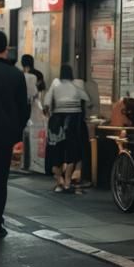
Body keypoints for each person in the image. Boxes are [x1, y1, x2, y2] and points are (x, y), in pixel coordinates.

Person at [0, 30, 31, 237]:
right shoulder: (16, 74)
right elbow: (24, 108)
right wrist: (16, 132)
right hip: (4, 136)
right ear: (6, 47)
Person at [43, 65, 90, 194]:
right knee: (72, 151)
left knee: (55, 151)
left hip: (57, 119)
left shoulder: (55, 83)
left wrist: (48, 113)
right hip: (74, 119)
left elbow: (46, 102)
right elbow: (87, 98)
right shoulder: (77, 84)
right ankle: (68, 181)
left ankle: (60, 182)